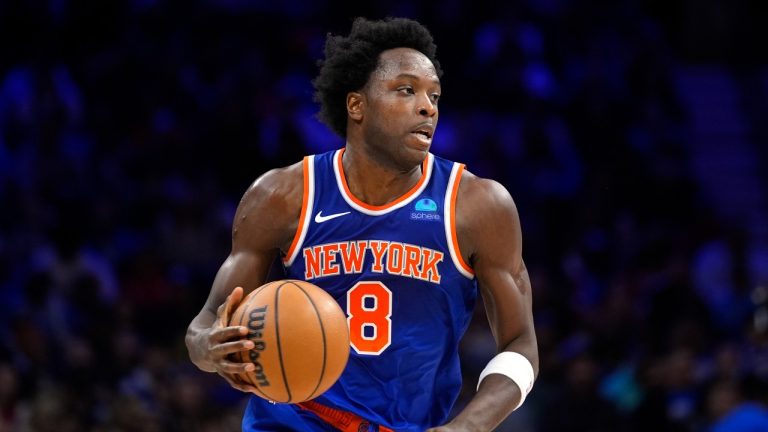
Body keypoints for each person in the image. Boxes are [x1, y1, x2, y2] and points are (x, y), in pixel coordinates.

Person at [185, 17, 538, 432]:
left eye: (434, 95)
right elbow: (207, 321)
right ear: (357, 105)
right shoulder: (282, 195)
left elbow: (521, 345)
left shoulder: (478, 205)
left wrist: (469, 426)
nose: (428, 106)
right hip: (290, 420)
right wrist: (208, 348)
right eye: (406, 90)